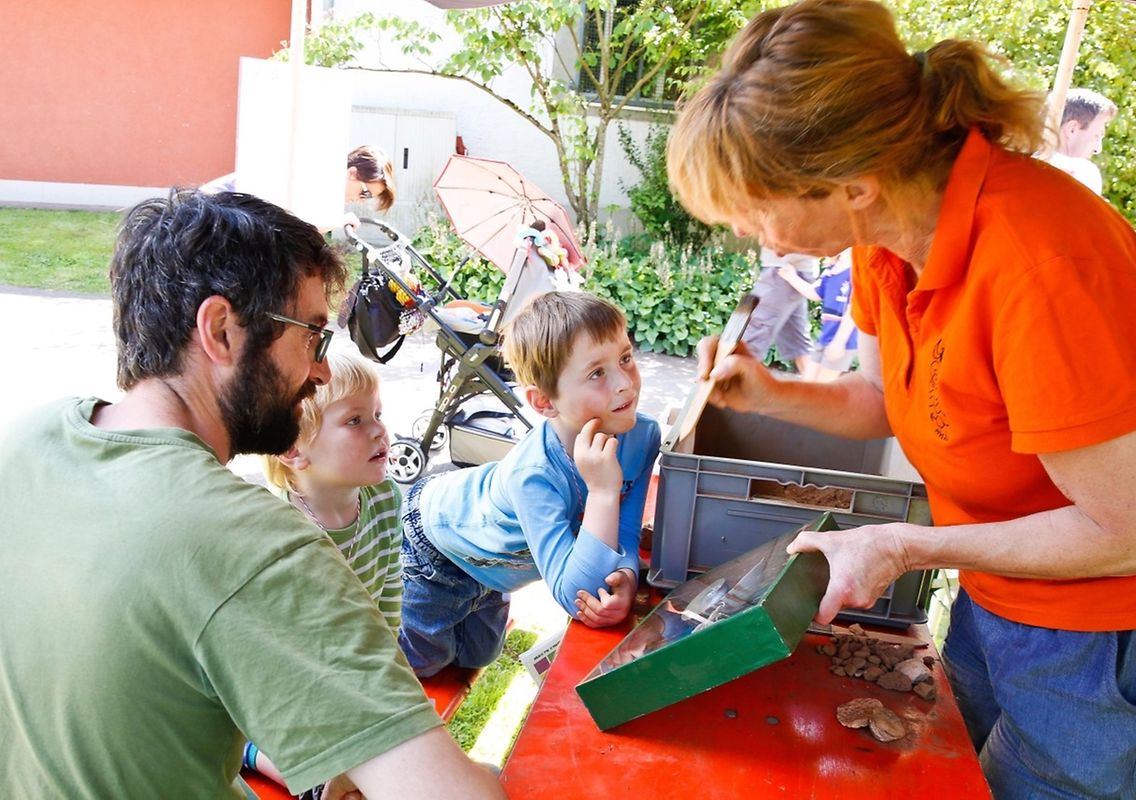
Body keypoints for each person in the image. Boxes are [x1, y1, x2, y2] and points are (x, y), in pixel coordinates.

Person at [666, 1, 1136, 797]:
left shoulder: (1043, 265)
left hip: (1116, 635)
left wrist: (904, 545)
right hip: (999, 595)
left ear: (852, 183)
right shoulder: (888, 244)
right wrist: (769, 392)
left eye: (756, 205)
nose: (751, 231)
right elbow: (884, 399)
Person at [0, 189, 504, 799]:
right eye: (312, 335)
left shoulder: (26, 439)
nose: (320, 370)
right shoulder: (256, 545)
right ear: (220, 330)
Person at [398, 291, 660, 677]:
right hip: (438, 541)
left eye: (624, 358)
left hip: (494, 563)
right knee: (423, 664)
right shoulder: (534, 473)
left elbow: (625, 532)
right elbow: (576, 597)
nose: (625, 383)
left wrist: (625, 578)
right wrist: (603, 492)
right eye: (597, 373)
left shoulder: (642, 436)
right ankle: (358, 632)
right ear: (544, 402)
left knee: (477, 656)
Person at [247, 352, 404, 792]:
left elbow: (390, 585)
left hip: (351, 665)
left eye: (377, 414)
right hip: (287, 682)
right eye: (355, 421)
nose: (379, 430)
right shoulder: (278, 526)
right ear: (294, 449)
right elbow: (278, 646)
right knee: (322, 762)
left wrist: (388, 669)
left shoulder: (384, 497)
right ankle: (263, 758)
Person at [201, 143, 397, 231]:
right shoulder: (315, 173)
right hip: (211, 214)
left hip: (224, 218)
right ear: (352, 173)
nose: (360, 200)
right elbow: (297, 224)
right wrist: (338, 221)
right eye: (365, 193)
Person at [742, 246, 821, 372]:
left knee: (751, 337)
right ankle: (819, 389)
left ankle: (725, 387)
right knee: (797, 343)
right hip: (792, 266)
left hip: (785, 268)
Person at [1047, 88, 1117, 195]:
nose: (1098, 149)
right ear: (1072, 129)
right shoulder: (1083, 172)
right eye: (1096, 136)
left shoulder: (1019, 163)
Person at [804, 249, 858, 383]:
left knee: (821, 390)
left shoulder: (857, 270)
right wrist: (790, 277)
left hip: (842, 340)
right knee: (808, 385)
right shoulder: (832, 268)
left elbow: (854, 309)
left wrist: (839, 342)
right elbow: (815, 293)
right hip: (825, 336)